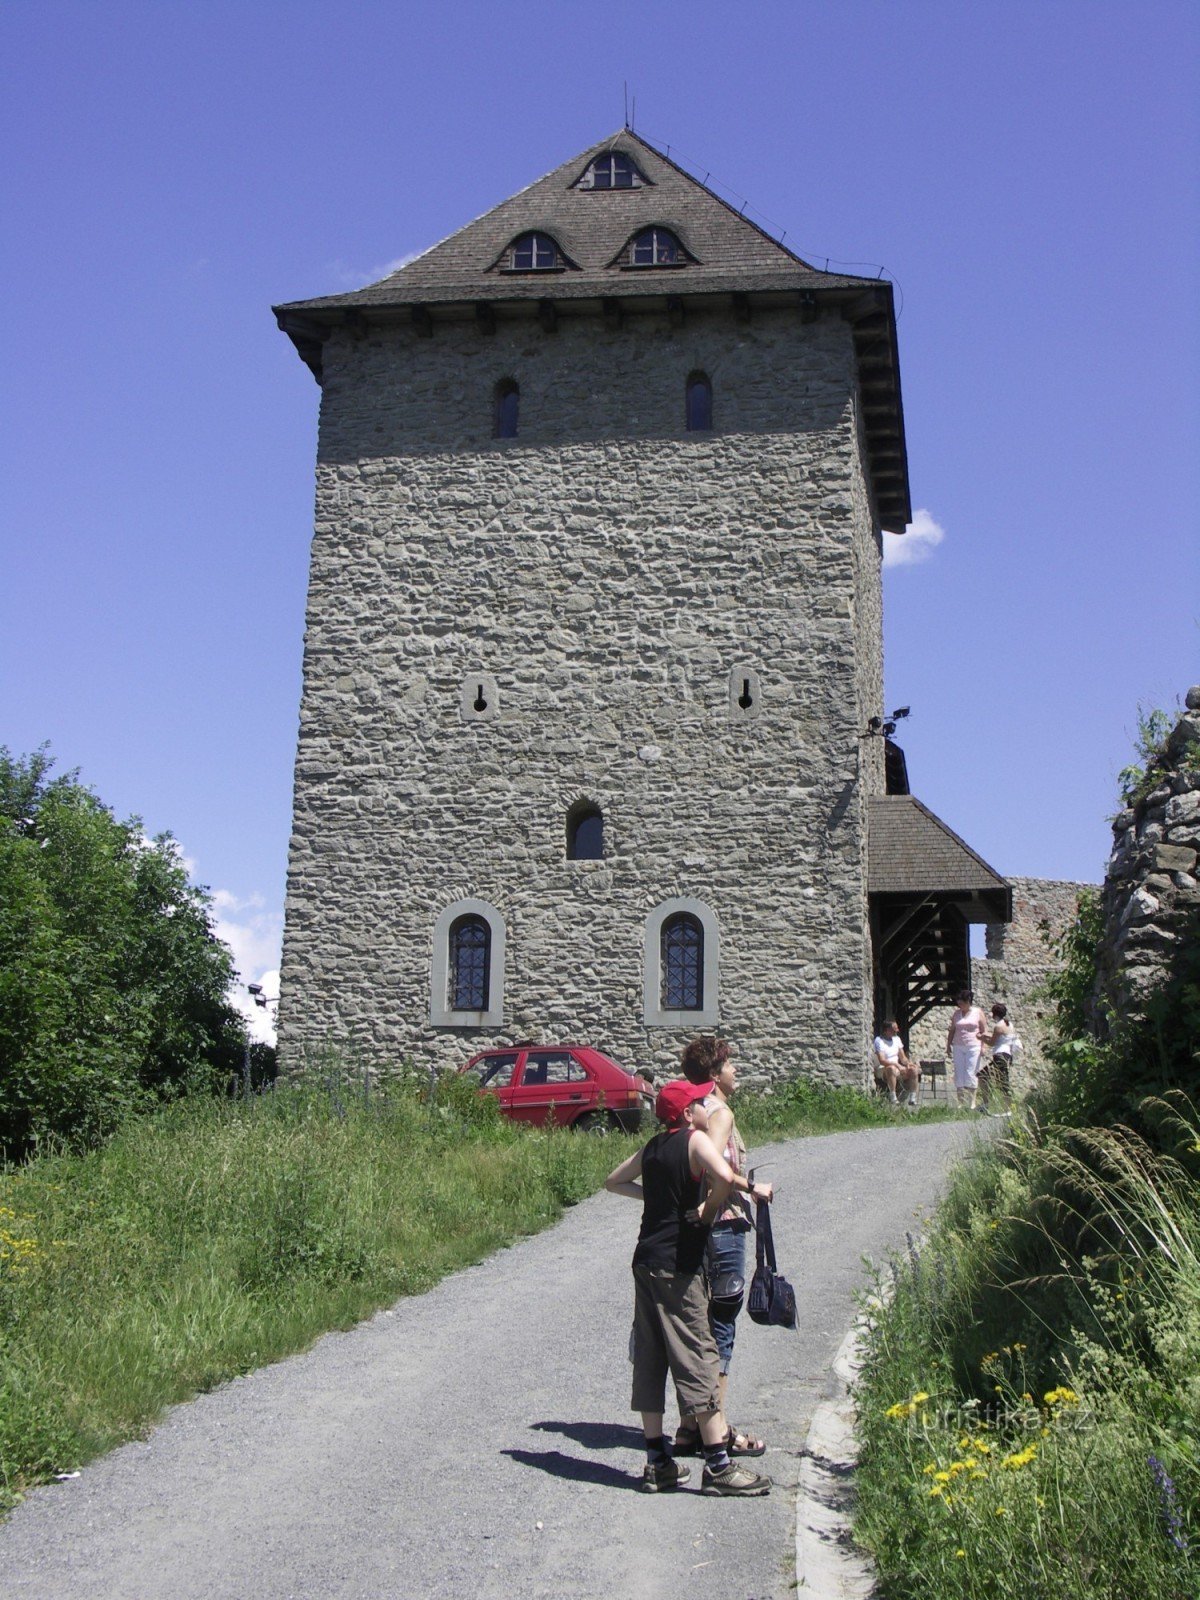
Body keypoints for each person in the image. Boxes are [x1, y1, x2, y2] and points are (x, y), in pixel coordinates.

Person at [605, 1078, 772, 1497]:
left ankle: (657, 1462)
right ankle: (718, 1465)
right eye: (698, 1104)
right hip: (678, 1265)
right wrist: (708, 1208)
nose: (705, 1107)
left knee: (652, 1353)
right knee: (699, 1353)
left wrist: (657, 1199)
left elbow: (613, 1181)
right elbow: (723, 1175)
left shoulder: (654, 1147)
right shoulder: (695, 1141)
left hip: (645, 1260)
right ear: (685, 1115)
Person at [671, 1038, 774, 1459]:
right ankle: (718, 1428)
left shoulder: (690, 1113)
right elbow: (716, 1170)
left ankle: (687, 1427)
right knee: (722, 1326)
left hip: (698, 1227)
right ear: (714, 1075)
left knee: (695, 1326)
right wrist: (749, 1190)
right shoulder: (719, 1113)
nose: (737, 1072)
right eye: (731, 1065)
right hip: (722, 1226)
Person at [946, 989, 989, 1111]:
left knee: (971, 1071)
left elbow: (983, 1029)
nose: (960, 1005)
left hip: (973, 1045)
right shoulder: (956, 1014)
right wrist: (948, 1044)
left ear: (968, 1001)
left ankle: (972, 1102)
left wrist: (983, 1046)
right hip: (958, 1046)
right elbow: (952, 1030)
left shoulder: (978, 1012)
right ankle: (960, 1102)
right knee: (959, 1072)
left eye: (962, 1002)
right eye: (959, 1003)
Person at [873, 1020, 921, 1108]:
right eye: (894, 1029)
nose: (897, 1030)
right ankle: (893, 1097)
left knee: (913, 1070)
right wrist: (896, 1065)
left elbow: (902, 1058)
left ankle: (912, 1098)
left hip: (897, 1067)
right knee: (891, 1068)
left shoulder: (897, 1039)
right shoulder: (879, 1040)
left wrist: (908, 1064)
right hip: (884, 1067)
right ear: (887, 1030)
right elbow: (882, 1060)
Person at [979, 1003, 1016, 1113]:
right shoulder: (1009, 1024)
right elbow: (1002, 1038)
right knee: (998, 1079)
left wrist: (981, 1038)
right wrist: (986, 1034)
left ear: (995, 1014)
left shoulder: (998, 1026)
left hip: (1000, 1055)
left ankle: (1001, 1107)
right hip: (1007, 1054)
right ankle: (990, 1105)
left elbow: (992, 1043)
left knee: (1000, 1081)